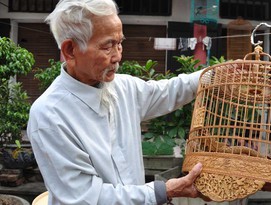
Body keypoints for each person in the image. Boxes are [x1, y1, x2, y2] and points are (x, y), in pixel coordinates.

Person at [27, 0, 205, 204]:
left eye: (119, 43)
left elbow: (170, 90)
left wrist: (216, 74)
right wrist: (162, 191)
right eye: (107, 46)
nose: (118, 56)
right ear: (70, 50)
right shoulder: (50, 116)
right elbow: (86, 198)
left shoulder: (123, 87)